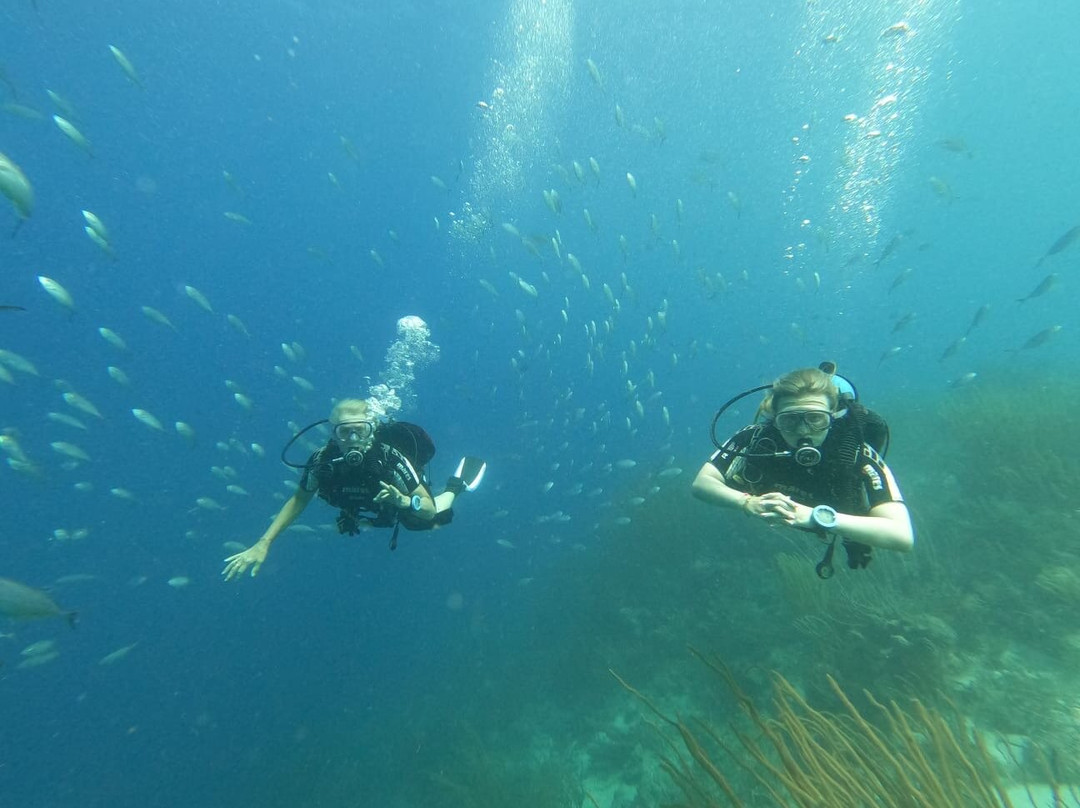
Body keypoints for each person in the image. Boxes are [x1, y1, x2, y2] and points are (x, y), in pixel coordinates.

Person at [223, 398, 486, 580]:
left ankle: (456, 484)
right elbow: (298, 500)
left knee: (426, 521)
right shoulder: (321, 461)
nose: (352, 440)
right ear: (334, 434)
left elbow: (427, 509)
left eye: (360, 431)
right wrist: (263, 543)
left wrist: (405, 501)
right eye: (344, 432)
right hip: (362, 504)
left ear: (371, 432)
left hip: (400, 501)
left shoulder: (390, 459)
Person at [691, 364, 913, 578]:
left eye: (816, 418)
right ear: (775, 419)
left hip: (836, 518)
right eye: (790, 420)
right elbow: (702, 483)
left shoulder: (855, 453)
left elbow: (901, 535)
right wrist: (748, 502)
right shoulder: (754, 438)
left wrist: (817, 518)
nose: (803, 430)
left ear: (833, 416)